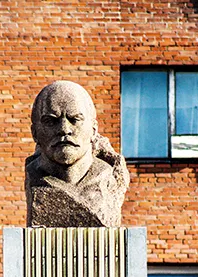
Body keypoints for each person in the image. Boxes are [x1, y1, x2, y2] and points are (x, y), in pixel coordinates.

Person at [25, 81, 129, 227]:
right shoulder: (35, 178)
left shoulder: (106, 177)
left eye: (75, 119)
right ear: (34, 133)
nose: (64, 129)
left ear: (94, 130)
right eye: (51, 121)